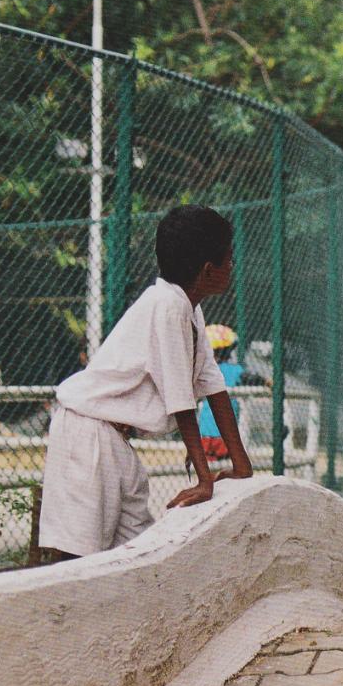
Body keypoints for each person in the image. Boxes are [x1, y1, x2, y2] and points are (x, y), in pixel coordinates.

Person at [39, 204, 253, 559]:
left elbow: (213, 385)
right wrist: (204, 479)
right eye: (229, 258)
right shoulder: (167, 305)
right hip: (87, 434)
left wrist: (242, 466)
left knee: (138, 556)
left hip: (117, 441)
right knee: (77, 560)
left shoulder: (190, 308)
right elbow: (181, 400)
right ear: (208, 269)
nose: (232, 265)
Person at [198, 324, 243, 461]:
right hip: (226, 432)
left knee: (207, 463)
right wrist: (266, 381)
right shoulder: (234, 370)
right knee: (225, 465)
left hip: (205, 431)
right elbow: (250, 378)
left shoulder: (204, 371)